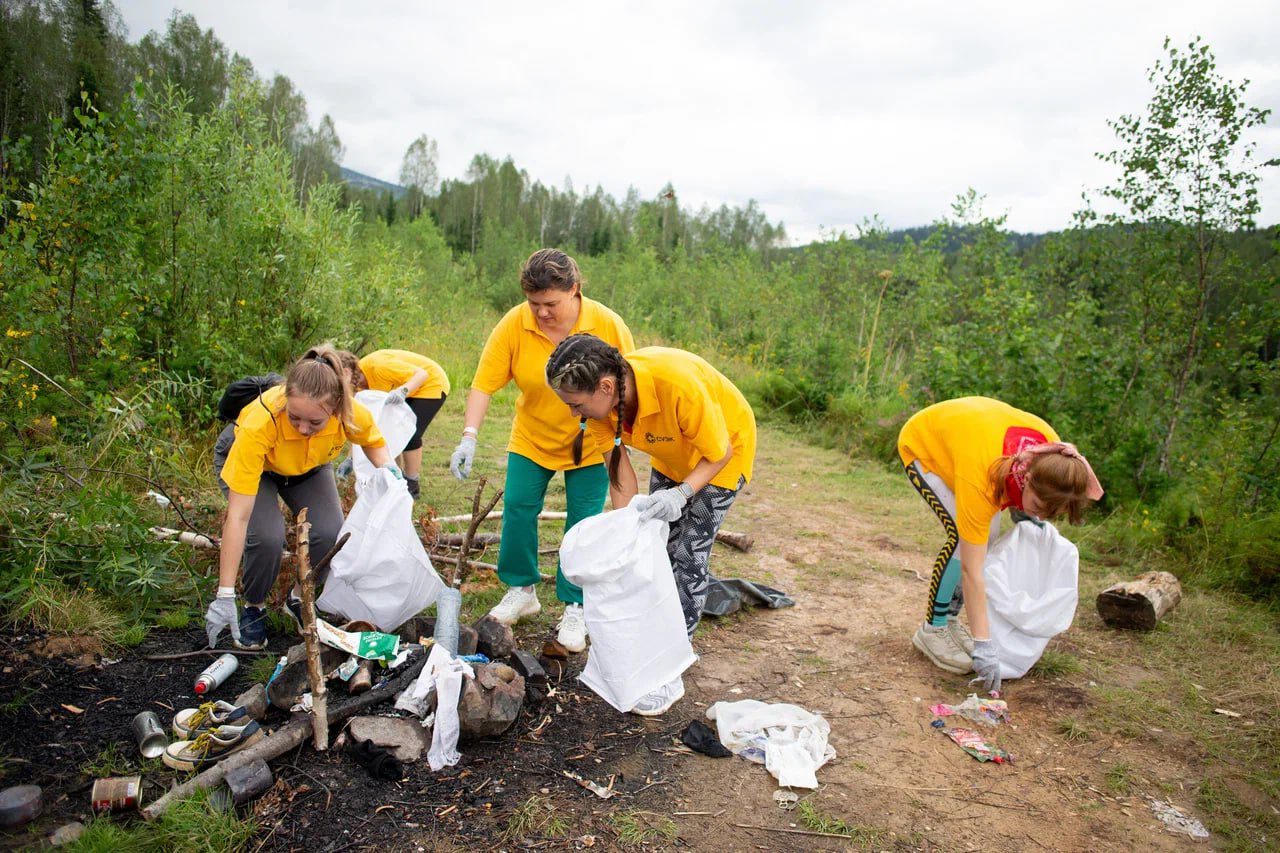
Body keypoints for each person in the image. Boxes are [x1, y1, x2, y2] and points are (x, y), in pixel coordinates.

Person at [546, 333, 756, 715]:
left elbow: (719, 452)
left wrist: (681, 494)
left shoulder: (675, 386)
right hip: (672, 454)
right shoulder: (604, 408)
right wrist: (629, 529)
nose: (575, 414)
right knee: (656, 548)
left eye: (576, 404)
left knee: (687, 555)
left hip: (723, 456)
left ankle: (671, 661)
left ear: (606, 386)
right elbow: (617, 467)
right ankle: (650, 639)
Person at [449, 249, 634, 653]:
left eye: (551, 304)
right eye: (534, 304)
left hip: (591, 439)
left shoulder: (607, 324)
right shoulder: (516, 323)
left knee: (583, 524)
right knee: (517, 506)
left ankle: (575, 604)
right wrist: (469, 434)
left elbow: (627, 384)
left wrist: (622, 442)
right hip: (532, 437)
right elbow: (484, 383)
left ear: (575, 291)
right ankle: (521, 589)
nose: (541, 313)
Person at [897, 396, 1104, 694]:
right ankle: (933, 629)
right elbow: (971, 571)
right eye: (1037, 505)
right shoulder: (980, 479)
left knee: (986, 536)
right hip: (926, 443)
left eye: (1051, 514)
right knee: (964, 540)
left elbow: (1032, 500)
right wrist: (984, 645)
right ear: (1025, 478)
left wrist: (1029, 512)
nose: (1041, 517)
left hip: (976, 435)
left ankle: (950, 619)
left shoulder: (1057, 462)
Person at [206, 344, 401, 650]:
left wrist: (389, 468)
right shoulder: (261, 421)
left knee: (329, 534)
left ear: (335, 408)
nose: (302, 428)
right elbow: (238, 517)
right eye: (295, 418)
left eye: (314, 423)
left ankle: (298, 597)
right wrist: (224, 594)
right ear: (286, 400)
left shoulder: (348, 412)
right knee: (267, 537)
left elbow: (373, 442)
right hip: (259, 467)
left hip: (306, 467)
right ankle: (253, 606)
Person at [342, 348, 450, 499]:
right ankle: (394, 476)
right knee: (389, 431)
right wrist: (350, 458)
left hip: (431, 383)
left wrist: (403, 391)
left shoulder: (378, 367)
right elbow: (367, 425)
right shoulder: (360, 384)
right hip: (409, 389)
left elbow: (422, 374)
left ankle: (412, 484)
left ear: (346, 373)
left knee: (411, 434)